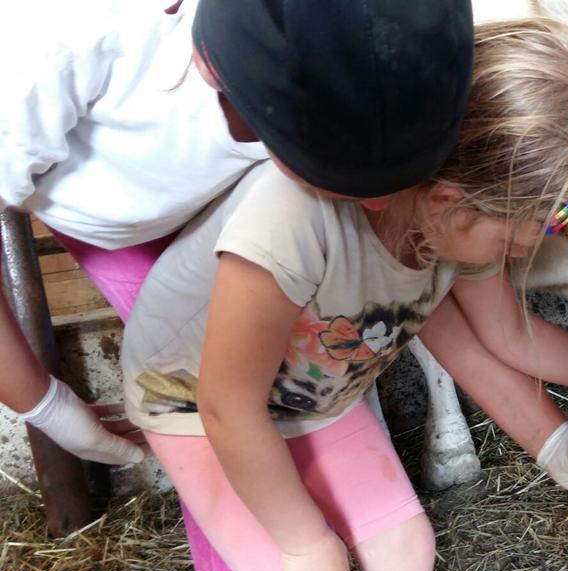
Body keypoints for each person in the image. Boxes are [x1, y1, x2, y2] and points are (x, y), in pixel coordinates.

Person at [121, 19, 568, 571]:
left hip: (313, 396)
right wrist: (304, 544)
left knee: (407, 552)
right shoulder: (292, 222)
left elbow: (507, 337)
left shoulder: (447, 234)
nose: (510, 257)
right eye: (509, 240)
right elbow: (228, 405)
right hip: (194, 404)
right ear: (450, 202)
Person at [0, 0, 472, 465]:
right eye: (347, 178)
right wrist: (44, 404)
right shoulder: (51, 50)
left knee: (277, 386)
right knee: (192, 404)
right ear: (209, 68)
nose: (378, 206)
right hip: (110, 216)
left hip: (228, 185)